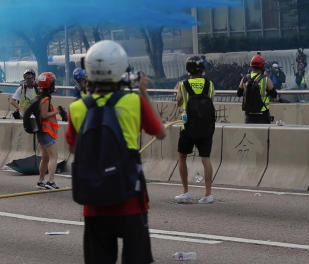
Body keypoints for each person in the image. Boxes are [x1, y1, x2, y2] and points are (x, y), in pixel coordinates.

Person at [65, 40, 165, 264]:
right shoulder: (133, 101)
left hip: (94, 203)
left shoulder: (77, 108)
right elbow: (160, 132)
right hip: (130, 197)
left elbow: (73, 148)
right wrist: (144, 93)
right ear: (121, 68)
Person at [174, 56, 216, 204]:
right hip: (206, 127)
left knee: (182, 156)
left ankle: (185, 192)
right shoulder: (209, 84)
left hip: (188, 127)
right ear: (202, 69)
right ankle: (208, 194)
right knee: (206, 158)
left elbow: (179, 102)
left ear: (188, 69)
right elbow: (210, 99)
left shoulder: (183, 85)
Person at [33, 71, 62, 188]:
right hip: (46, 132)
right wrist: (57, 111)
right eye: (52, 83)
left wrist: (52, 90)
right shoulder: (46, 99)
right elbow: (44, 115)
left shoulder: (41, 95)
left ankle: (41, 181)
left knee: (45, 157)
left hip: (41, 132)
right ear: (49, 84)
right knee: (54, 156)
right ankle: (50, 181)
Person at [237, 55, 275, 123]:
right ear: (262, 67)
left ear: (251, 66)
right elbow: (274, 94)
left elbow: (239, 93)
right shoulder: (266, 79)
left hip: (249, 115)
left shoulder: (245, 79)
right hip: (262, 115)